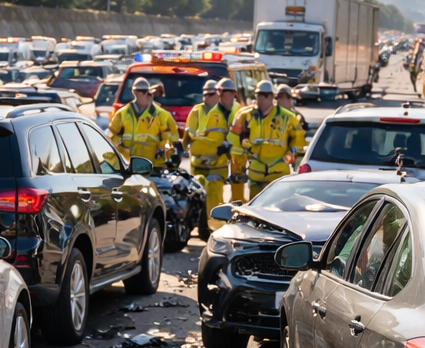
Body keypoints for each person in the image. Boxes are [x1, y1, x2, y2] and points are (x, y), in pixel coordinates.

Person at [229, 80, 305, 199]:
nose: (261, 99)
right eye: (258, 95)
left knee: (276, 210)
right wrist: (239, 170)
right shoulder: (245, 116)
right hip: (255, 175)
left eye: (265, 95)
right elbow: (234, 145)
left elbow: (299, 144)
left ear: (272, 96)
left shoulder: (288, 117)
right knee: (256, 211)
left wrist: (289, 163)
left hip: (278, 175)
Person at [184, 79, 234, 236]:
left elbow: (232, 137)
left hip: (217, 166)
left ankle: (215, 230)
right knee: (197, 197)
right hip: (198, 164)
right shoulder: (196, 111)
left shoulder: (225, 113)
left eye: (211, 94)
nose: (207, 97)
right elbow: (188, 137)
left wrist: (226, 148)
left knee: (213, 195)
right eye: (205, 94)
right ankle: (201, 226)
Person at [108, 77, 178, 165]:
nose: (144, 95)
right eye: (141, 92)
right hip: (128, 167)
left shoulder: (162, 115)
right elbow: (112, 140)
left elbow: (170, 141)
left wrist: (164, 150)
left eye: (145, 92)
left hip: (153, 167)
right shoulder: (122, 114)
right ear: (135, 92)